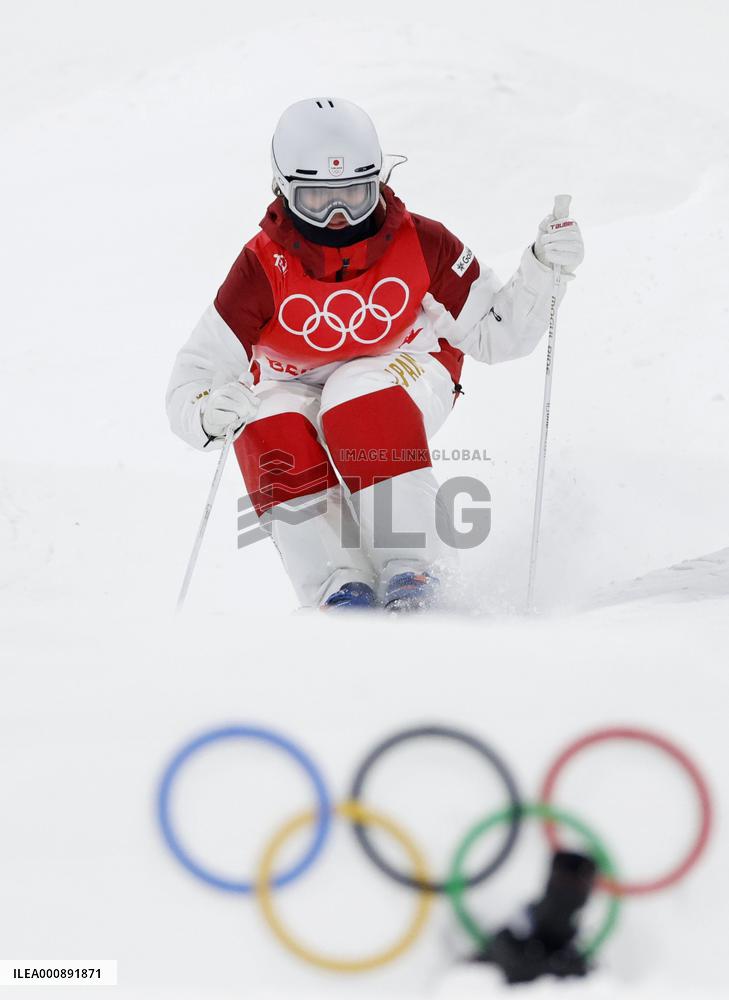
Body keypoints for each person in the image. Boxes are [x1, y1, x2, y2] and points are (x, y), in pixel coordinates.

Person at [166, 97, 584, 611]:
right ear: (283, 190)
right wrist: (206, 412)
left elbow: (500, 335)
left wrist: (544, 270)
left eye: (355, 195)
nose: (339, 217)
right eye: (317, 200)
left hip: (405, 370)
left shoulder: (421, 243)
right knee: (263, 419)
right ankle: (339, 586)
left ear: (379, 183)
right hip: (295, 385)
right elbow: (194, 377)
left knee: (354, 394)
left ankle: (415, 570)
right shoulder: (260, 268)